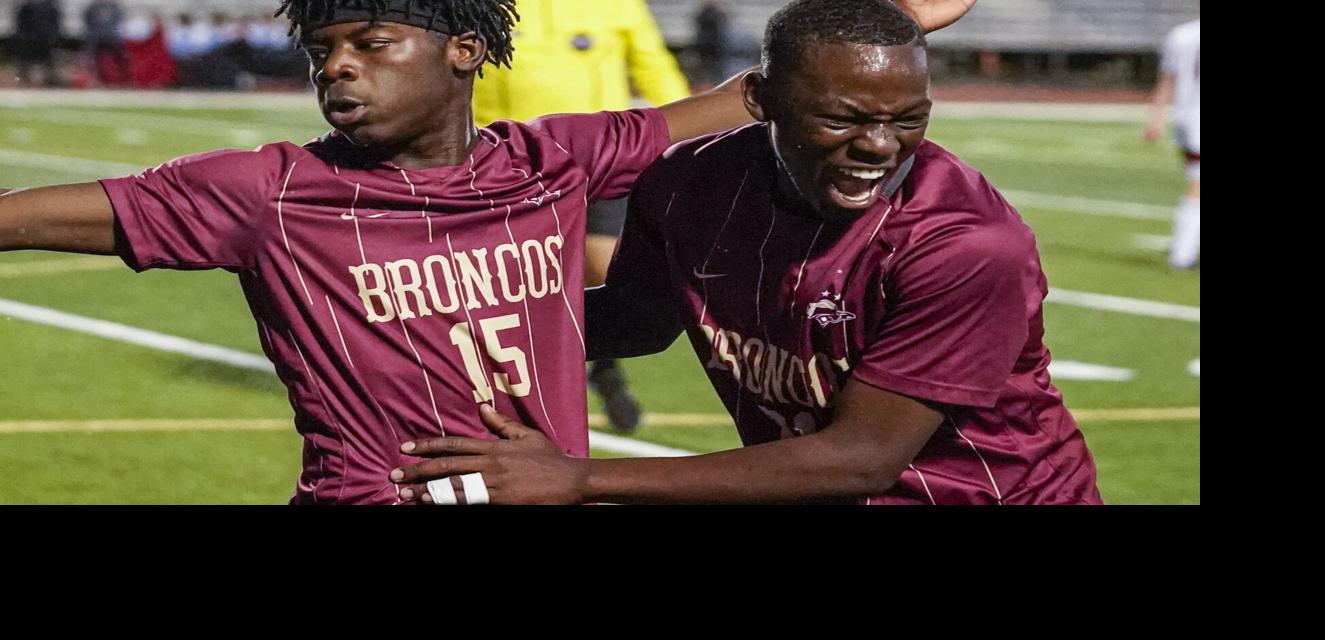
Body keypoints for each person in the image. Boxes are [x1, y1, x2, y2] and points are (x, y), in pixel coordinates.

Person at [0, 0, 971, 506]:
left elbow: (745, 98)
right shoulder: (267, 191)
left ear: (463, 50)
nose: (337, 65)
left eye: (372, 42)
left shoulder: (552, 162)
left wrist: (873, 17)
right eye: (322, 51)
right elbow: (24, 216)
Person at [392, 0, 1100, 505]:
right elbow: (637, 318)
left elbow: (860, 459)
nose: (880, 146)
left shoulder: (966, 244)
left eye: (906, 118)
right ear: (760, 101)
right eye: (842, 118)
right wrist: (438, 335)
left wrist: (581, 478)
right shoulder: (688, 181)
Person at [472, 0, 694, 434]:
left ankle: (601, 364)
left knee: (605, 267)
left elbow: (653, 66)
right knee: (506, 284)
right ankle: (499, 385)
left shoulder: (617, 6)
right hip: (504, 164)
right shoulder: (487, 6)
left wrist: (692, 131)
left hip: (600, 159)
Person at [1143, 13, 1199, 270]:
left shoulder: (1181, 34)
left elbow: (1167, 80)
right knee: (1197, 186)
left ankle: (1183, 249)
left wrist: (1156, 118)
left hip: (1186, 118)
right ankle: (1183, 252)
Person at [13, 0, 64, 87]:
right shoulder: (26, 7)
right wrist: (23, 38)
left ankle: (53, 83)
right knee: (25, 64)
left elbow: (56, 24)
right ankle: (22, 83)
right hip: (30, 41)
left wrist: (53, 38)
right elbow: (20, 25)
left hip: (46, 40)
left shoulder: (51, 7)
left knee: (49, 64)